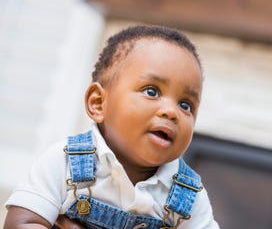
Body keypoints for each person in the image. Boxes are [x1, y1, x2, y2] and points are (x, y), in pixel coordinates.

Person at [4, 25, 219, 228]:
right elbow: (20, 223)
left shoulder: (189, 196)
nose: (171, 112)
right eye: (151, 91)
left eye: (185, 105)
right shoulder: (65, 162)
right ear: (98, 103)